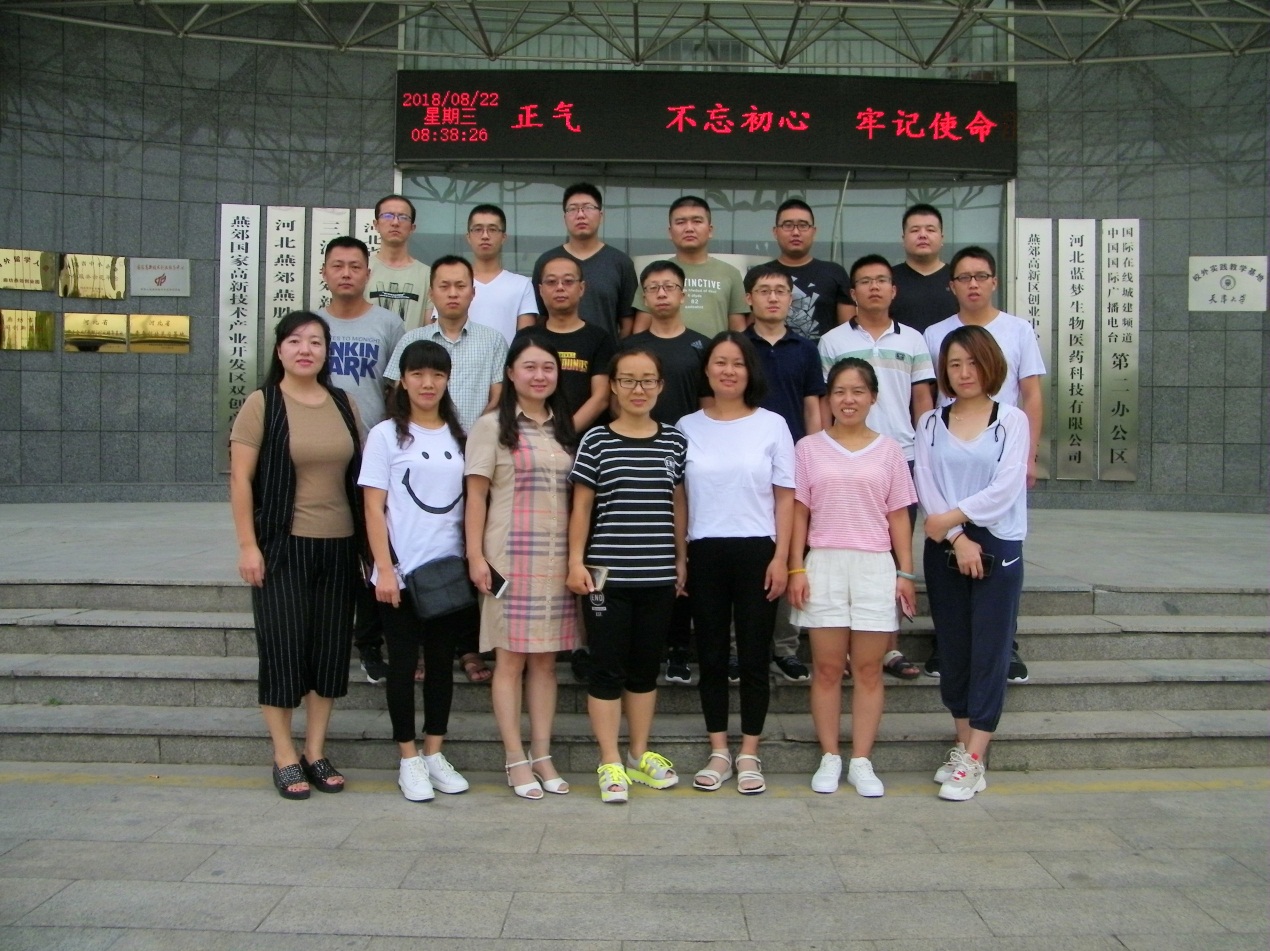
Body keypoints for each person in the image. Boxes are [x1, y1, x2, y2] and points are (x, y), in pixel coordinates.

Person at [229, 310, 365, 800]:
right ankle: (284, 754)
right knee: (283, 648)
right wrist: (249, 545)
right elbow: (241, 479)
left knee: (329, 652)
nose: (305, 349)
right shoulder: (262, 403)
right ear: (279, 350)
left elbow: (361, 475)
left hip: (340, 546)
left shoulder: (344, 402)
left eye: (316, 342)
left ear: (327, 352)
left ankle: (315, 750)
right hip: (283, 545)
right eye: (295, 341)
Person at [789, 357, 917, 798]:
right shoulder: (808, 449)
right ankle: (830, 756)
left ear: (873, 397)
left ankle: (861, 760)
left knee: (868, 670)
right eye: (840, 391)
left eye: (858, 391)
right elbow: (799, 513)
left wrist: (905, 572)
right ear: (828, 398)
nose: (848, 400)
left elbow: (898, 515)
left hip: (874, 565)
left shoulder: (890, 450)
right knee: (826, 669)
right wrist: (796, 566)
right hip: (823, 563)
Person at [913, 326, 1029, 802]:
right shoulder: (930, 423)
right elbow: (926, 482)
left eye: (973, 362)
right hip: (946, 543)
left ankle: (976, 755)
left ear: (991, 365)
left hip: (997, 541)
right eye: (955, 364)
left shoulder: (1012, 420)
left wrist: (954, 521)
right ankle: (965, 750)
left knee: (990, 652)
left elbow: (1006, 487)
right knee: (955, 651)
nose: (964, 373)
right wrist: (957, 537)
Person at [567, 348, 688, 803]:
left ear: (660, 385)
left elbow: (677, 503)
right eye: (629, 380)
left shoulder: (674, 441)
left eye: (647, 380)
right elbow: (581, 507)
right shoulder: (596, 440)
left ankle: (638, 754)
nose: (639, 389)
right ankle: (610, 760)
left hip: (657, 574)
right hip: (606, 577)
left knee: (644, 669)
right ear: (614, 386)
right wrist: (575, 562)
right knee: (606, 669)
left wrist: (681, 559)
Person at [678, 332, 794, 794]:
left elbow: (785, 497)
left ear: (750, 371)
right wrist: (681, 555)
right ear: (706, 370)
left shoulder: (773, 425)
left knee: (753, 655)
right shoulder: (686, 426)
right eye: (720, 362)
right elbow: (679, 498)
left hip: (757, 550)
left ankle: (749, 751)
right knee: (709, 655)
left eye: (738, 363)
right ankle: (719, 750)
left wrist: (782, 558)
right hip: (704, 549)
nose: (729, 371)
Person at [384, 256, 508, 684]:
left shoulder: (493, 340)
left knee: (469, 547)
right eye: (444, 285)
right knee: (422, 547)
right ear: (432, 291)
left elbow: (498, 396)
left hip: (473, 459)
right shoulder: (413, 339)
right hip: (422, 458)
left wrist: (474, 442)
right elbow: (395, 392)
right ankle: (419, 647)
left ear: (473, 291)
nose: (453, 293)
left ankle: (469, 646)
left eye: (461, 285)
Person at [925, 246, 1045, 684]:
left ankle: (1004, 644)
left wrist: (1028, 456)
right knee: (949, 558)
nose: (973, 284)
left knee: (1001, 549)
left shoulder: (1018, 329)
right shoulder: (935, 333)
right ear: (951, 285)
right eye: (964, 277)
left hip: (1000, 448)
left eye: (980, 276)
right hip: (951, 449)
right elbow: (931, 395)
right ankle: (947, 643)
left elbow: (1031, 394)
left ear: (994, 281)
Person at [465, 337, 579, 799]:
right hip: (508, 557)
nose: (539, 375)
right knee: (509, 661)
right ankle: (515, 758)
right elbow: (476, 496)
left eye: (547, 367)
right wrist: (476, 556)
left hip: (556, 560)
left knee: (546, 663)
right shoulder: (491, 426)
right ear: (511, 373)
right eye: (529, 367)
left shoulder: (563, 428)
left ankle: (542, 754)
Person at [359, 340, 472, 802]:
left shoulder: (459, 436)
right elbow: (373, 507)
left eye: (437, 374)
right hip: (402, 575)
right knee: (403, 667)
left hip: (446, 575)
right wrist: (385, 569)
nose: (428, 383)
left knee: (442, 666)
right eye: (418, 374)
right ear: (402, 380)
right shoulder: (385, 435)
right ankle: (408, 759)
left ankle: (434, 753)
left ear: (447, 380)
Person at [817, 254, 935, 681]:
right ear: (853, 292)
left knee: (893, 550)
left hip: (901, 453)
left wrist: (927, 450)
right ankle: (848, 647)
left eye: (881, 280)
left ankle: (890, 646)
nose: (874, 288)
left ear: (893, 289)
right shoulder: (832, 341)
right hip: (845, 457)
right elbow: (826, 400)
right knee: (850, 546)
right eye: (865, 281)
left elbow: (922, 400)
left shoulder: (914, 340)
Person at [317, 235, 405, 686]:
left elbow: (397, 390)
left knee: (374, 551)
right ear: (325, 273)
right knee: (331, 550)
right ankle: (328, 637)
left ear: (368, 274)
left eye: (355, 266)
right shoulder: (311, 325)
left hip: (373, 453)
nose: (347, 273)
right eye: (338, 265)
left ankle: (369, 644)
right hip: (320, 455)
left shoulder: (389, 324)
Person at [621, 260, 711, 686]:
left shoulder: (700, 346)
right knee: (645, 546)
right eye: (653, 287)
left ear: (683, 294)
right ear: (644, 296)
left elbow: (710, 406)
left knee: (682, 548)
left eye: (669, 287)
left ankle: (678, 646)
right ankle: (641, 647)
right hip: (637, 456)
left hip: (686, 457)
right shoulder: (631, 347)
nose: (661, 294)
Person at [744, 263, 825, 682]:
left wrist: (815, 456)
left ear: (790, 299)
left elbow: (813, 407)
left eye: (780, 290)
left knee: (792, 554)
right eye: (764, 290)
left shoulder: (806, 349)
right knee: (748, 553)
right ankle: (741, 647)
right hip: (745, 465)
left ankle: (786, 647)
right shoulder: (737, 347)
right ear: (749, 298)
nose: (772, 297)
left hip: (792, 466)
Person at [517, 255, 615, 433]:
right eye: (551, 282)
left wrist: (562, 435)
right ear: (540, 290)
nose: (560, 288)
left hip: (584, 440)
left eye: (568, 281)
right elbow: (515, 390)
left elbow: (600, 397)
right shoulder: (527, 337)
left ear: (581, 288)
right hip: (531, 437)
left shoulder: (600, 338)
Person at [532, 183, 638, 340]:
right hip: (554, 353)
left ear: (601, 216)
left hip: (605, 353)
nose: (580, 215)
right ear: (564, 218)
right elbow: (539, 316)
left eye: (588, 208)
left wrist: (615, 350)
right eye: (573, 209)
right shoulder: (547, 262)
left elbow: (627, 321)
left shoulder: (621, 262)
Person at [631, 196, 748, 338]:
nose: (689, 228)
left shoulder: (730, 273)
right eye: (681, 222)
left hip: (715, 352)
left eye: (697, 221)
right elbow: (640, 330)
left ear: (710, 230)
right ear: (670, 232)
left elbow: (738, 330)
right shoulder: (655, 274)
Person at [763, 198, 854, 341]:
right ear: (775, 232)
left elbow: (848, 331)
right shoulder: (760, 275)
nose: (795, 232)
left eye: (803, 225)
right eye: (788, 225)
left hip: (823, 355)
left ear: (813, 231)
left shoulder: (834, 273)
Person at [465, 203, 538, 345]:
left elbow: (526, 343)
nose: (485, 236)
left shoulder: (522, 285)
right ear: (468, 237)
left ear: (504, 237)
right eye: (478, 229)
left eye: (492, 229)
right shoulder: (454, 284)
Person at [890, 203, 959, 335]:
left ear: (942, 238)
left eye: (930, 230)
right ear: (903, 239)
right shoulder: (887, 279)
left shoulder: (959, 278)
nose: (923, 235)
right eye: (915, 230)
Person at [366, 194, 431, 330]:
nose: (395, 222)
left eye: (403, 217)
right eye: (388, 216)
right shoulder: (362, 269)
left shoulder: (427, 275)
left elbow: (429, 327)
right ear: (376, 225)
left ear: (412, 228)